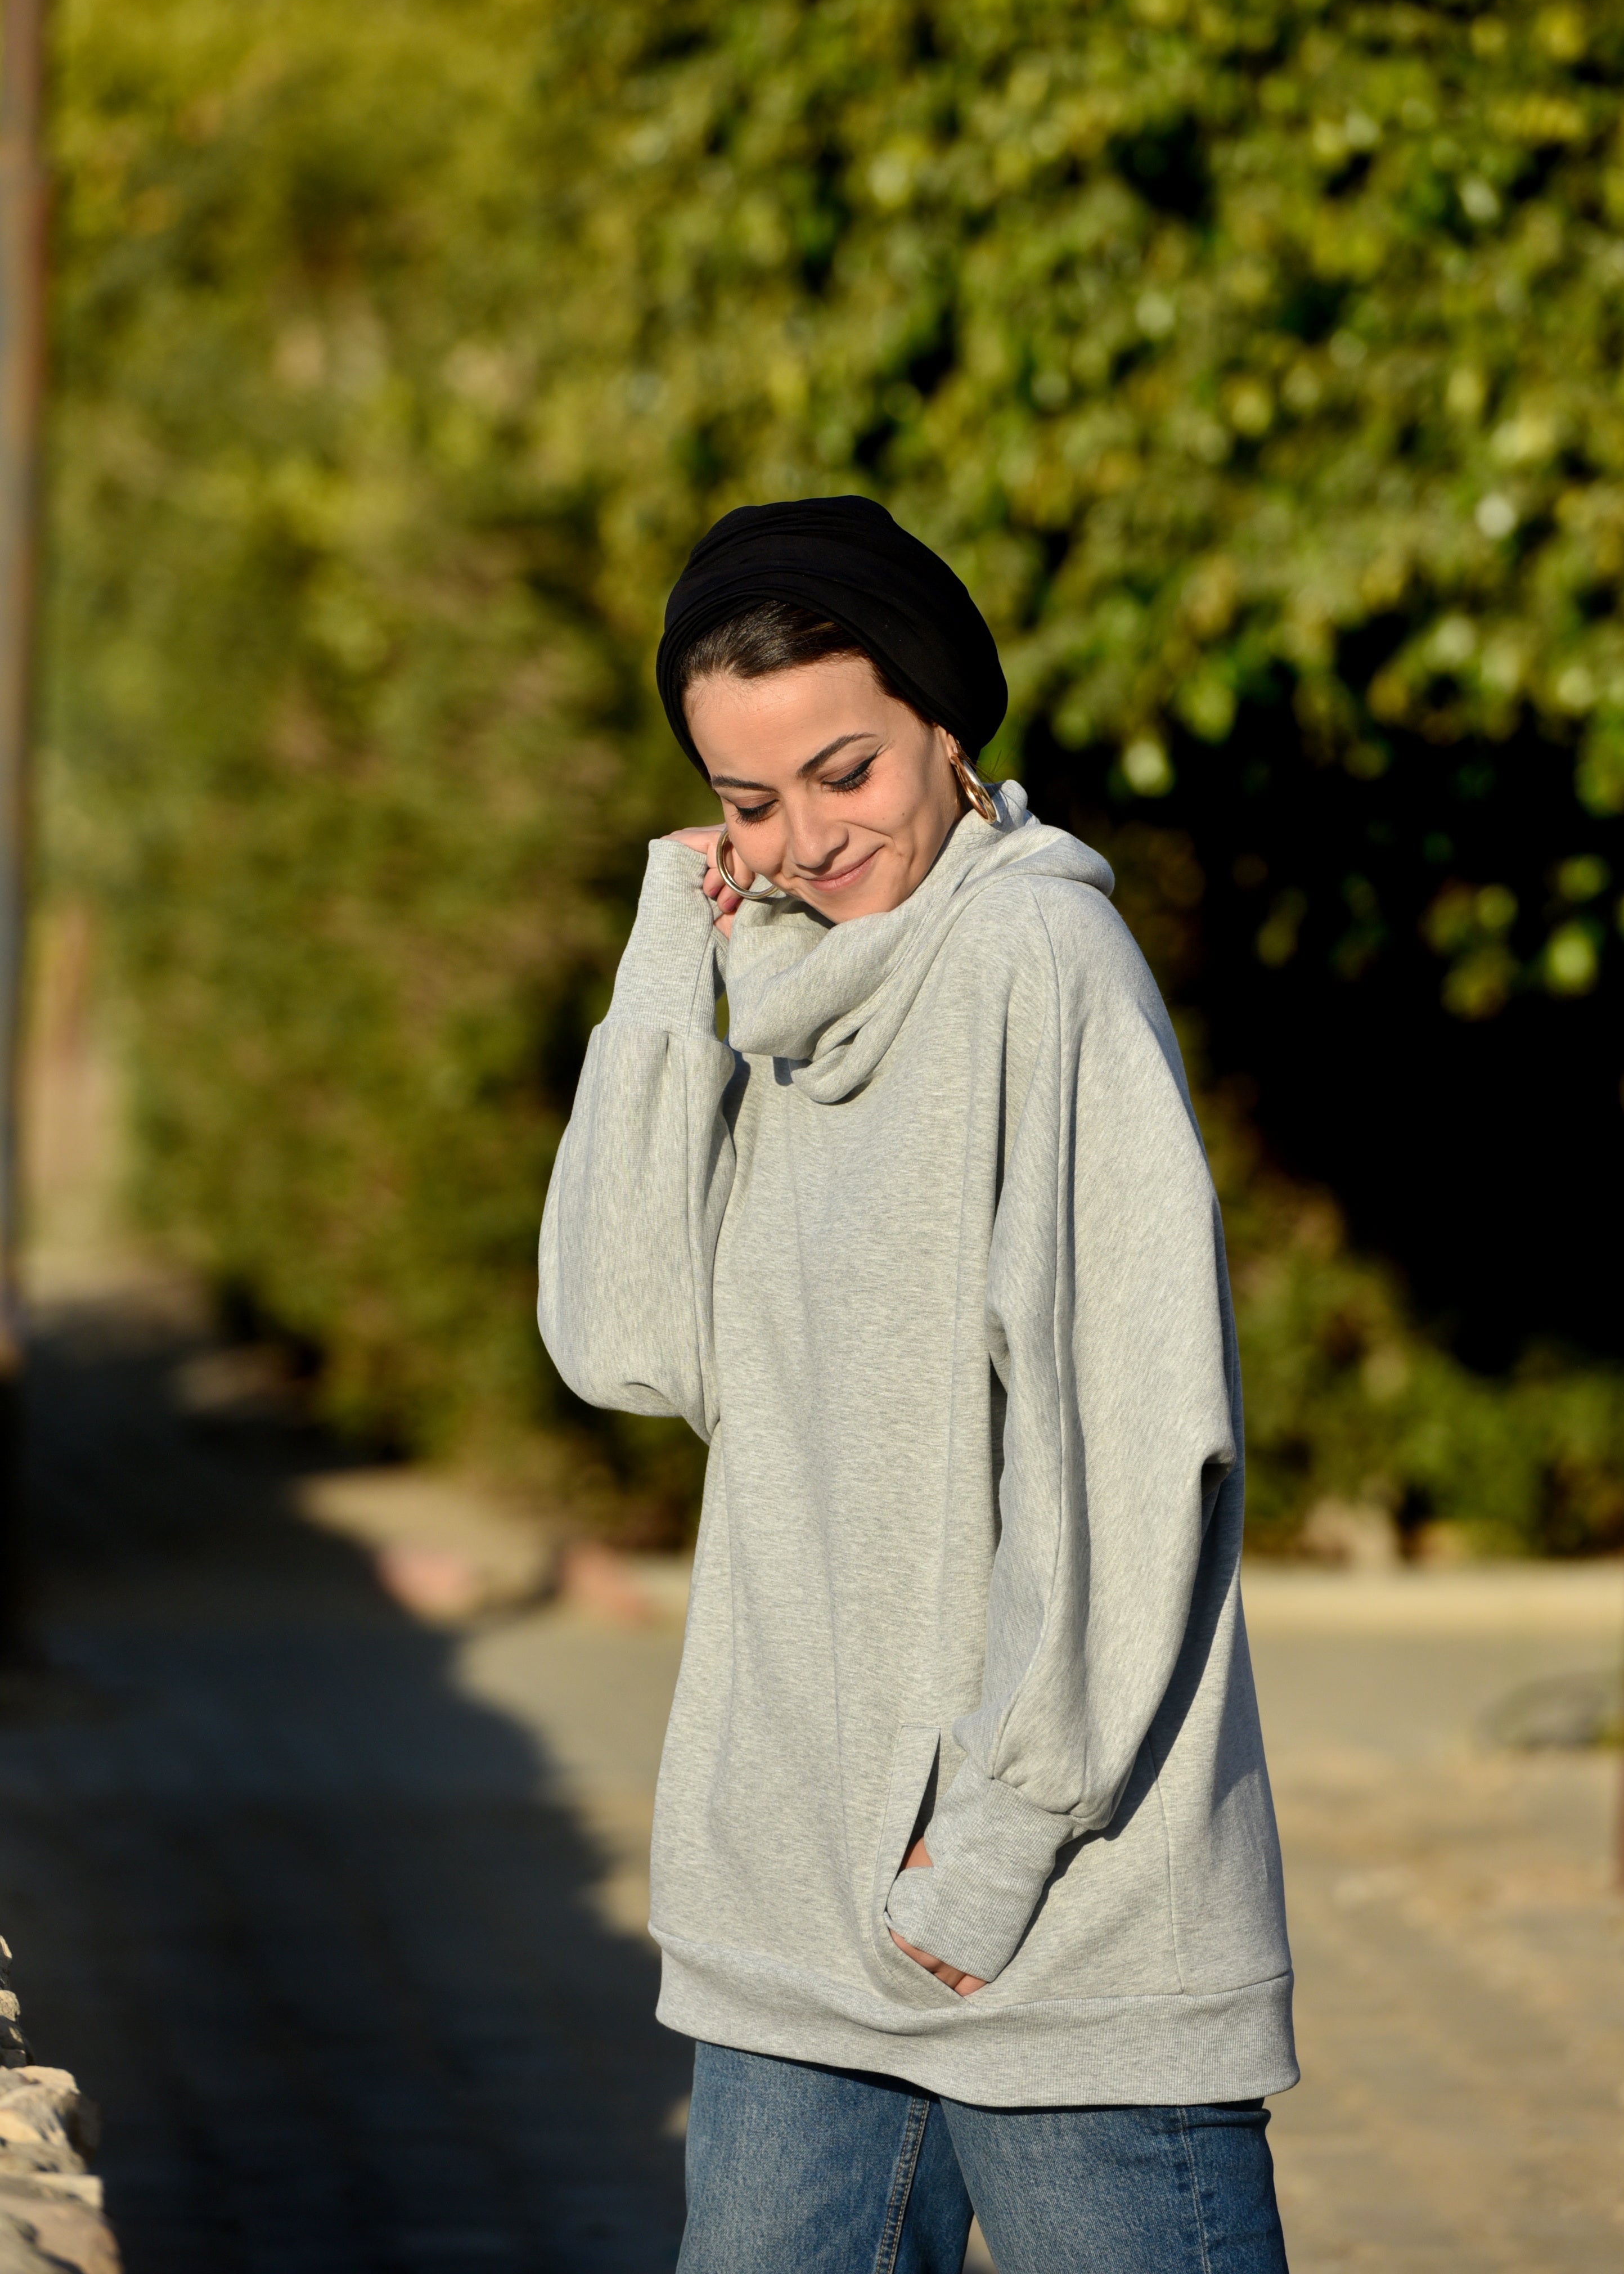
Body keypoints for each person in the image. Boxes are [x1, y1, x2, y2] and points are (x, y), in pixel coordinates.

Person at [539, 497, 1296, 2273]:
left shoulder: (1043, 964)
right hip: (793, 1922)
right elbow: (623, 1338)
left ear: (949, 728)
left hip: (1047, 1931)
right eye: (747, 802)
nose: (806, 840)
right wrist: (670, 947)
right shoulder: (779, 995)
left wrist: (998, 1843)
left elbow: (1134, 1436)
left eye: (846, 771)